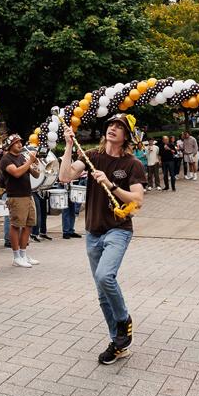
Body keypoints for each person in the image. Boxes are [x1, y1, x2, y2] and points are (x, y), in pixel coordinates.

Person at [58, 114, 146, 365]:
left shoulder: (132, 164)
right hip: (93, 232)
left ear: (126, 136)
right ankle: (118, 343)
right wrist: (67, 145)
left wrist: (111, 185)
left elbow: (137, 200)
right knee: (101, 293)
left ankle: (123, 321)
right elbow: (65, 176)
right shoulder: (91, 156)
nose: (113, 129)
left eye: (119, 127)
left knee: (105, 276)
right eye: (111, 125)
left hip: (118, 229)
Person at [0, 134, 38, 268]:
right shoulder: (6, 159)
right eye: (16, 143)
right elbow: (16, 173)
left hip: (28, 194)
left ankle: (23, 254)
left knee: (29, 225)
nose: (20, 145)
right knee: (16, 226)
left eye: (20, 142)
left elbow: (36, 174)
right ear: (10, 145)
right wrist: (29, 163)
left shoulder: (22, 156)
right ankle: (16, 257)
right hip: (15, 196)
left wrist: (34, 164)